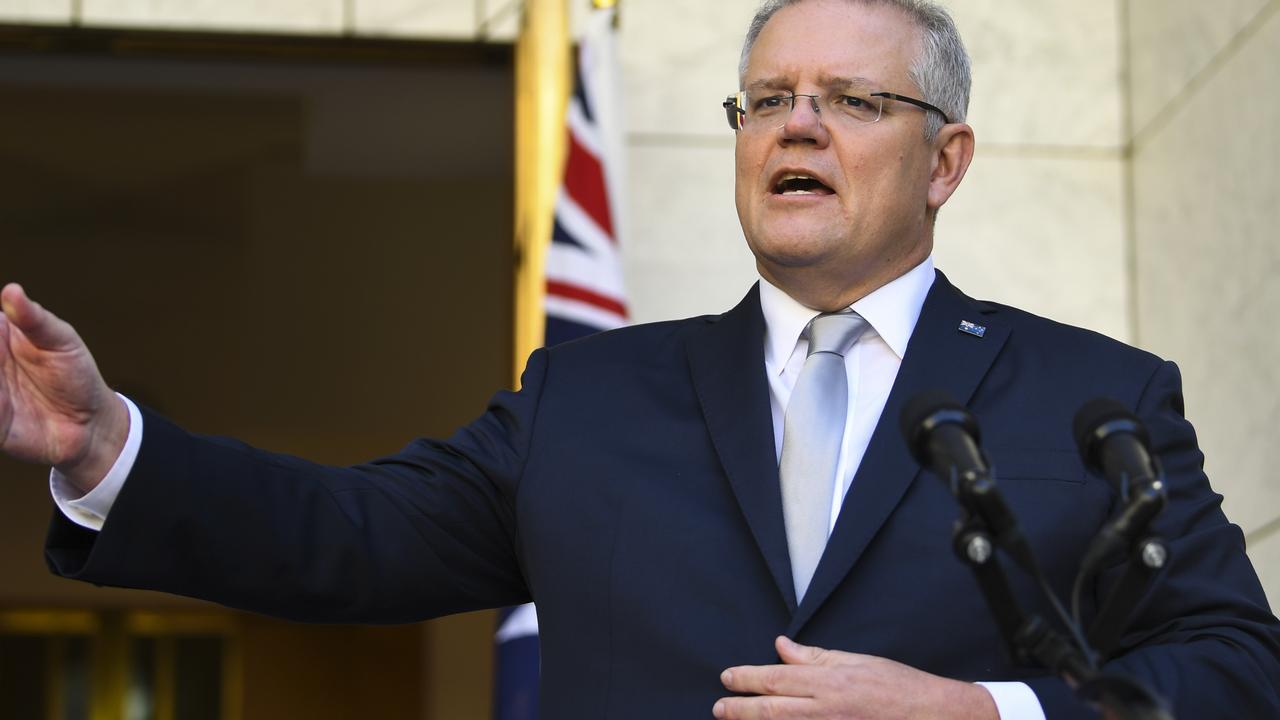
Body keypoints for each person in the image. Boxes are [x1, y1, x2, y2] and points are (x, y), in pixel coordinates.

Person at [3, 0, 1278, 718]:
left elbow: (1233, 670)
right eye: (768, 99)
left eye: (851, 100)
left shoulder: (1088, 398)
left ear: (944, 160)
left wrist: (988, 715)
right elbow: (347, 533)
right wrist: (109, 446)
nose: (799, 126)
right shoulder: (589, 398)